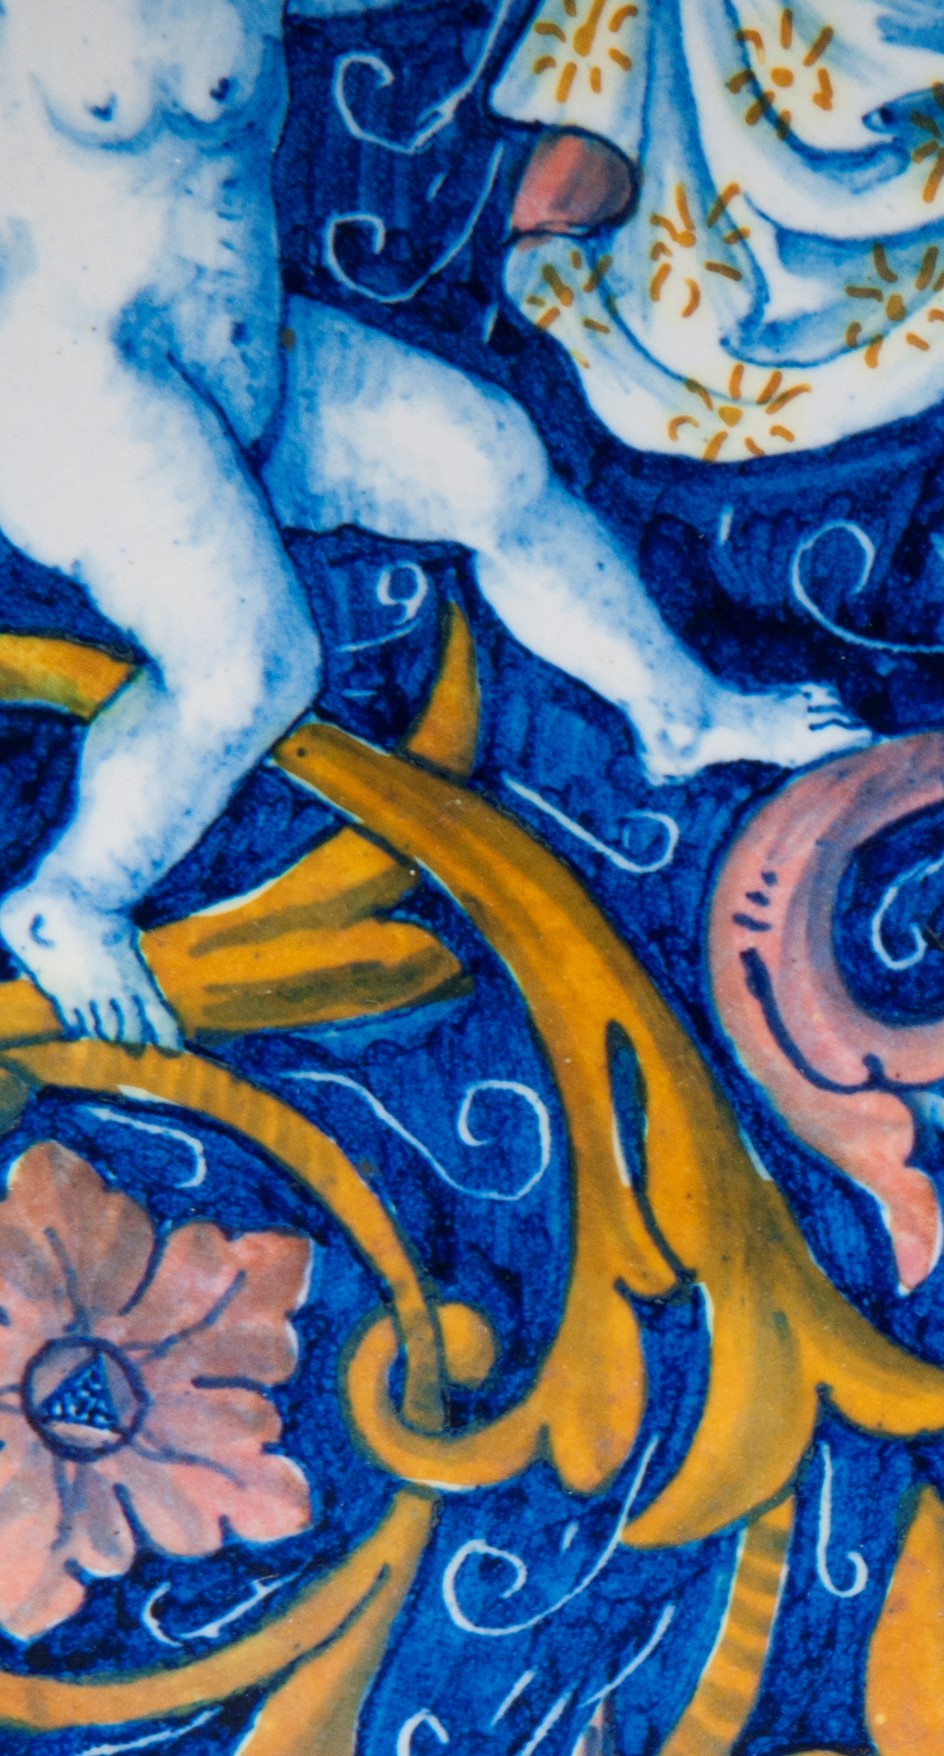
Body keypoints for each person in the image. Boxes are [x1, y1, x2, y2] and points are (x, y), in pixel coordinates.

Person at [0, 0, 866, 1052]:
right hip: (73, 391)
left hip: (243, 358)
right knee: (252, 669)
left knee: (494, 465)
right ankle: (71, 897)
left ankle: (685, 715)